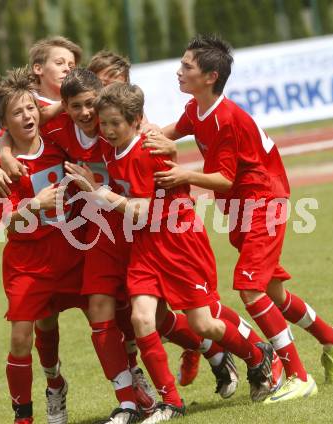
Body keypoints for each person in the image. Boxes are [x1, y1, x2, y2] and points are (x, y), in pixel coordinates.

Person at [143, 34, 333, 403]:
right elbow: (165, 134)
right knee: (272, 291)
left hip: (264, 203)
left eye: (186, 66)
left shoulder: (227, 119)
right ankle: (330, 338)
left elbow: (224, 178)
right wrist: (126, 136)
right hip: (243, 209)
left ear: (209, 76)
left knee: (250, 288)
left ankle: (298, 376)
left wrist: (184, 175)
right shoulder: (196, 109)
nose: (179, 71)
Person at [67, 82, 277, 423]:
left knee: (203, 323)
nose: (106, 130)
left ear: (136, 121)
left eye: (114, 123)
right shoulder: (112, 147)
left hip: (179, 244)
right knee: (141, 318)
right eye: (104, 124)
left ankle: (257, 354)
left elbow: (143, 211)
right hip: (146, 247)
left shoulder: (151, 150)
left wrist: (98, 191)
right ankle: (171, 402)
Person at [0, 67, 87, 424]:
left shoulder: (57, 142)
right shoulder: (2, 169)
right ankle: (29, 411)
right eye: (17, 112)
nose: (27, 115)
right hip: (28, 262)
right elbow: (5, 219)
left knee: (107, 314)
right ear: (4, 123)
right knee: (20, 337)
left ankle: (134, 394)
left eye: (30, 108)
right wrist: (35, 205)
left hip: (73, 252)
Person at [0, 36, 82, 199]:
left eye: (71, 65)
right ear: (38, 68)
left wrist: (141, 122)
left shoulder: (81, 103)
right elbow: (4, 136)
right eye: (59, 63)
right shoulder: (29, 106)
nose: (67, 69)